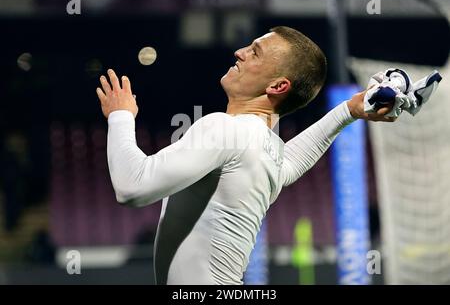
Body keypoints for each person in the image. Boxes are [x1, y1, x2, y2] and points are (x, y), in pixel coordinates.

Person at [95, 26, 395, 285]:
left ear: (278, 86)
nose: (239, 52)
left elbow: (132, 187)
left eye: (255, 52)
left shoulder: (226, 128)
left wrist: (121, 116)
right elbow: (291, 162)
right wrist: (347, 111)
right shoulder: (269, 150)